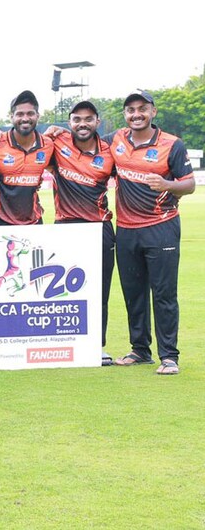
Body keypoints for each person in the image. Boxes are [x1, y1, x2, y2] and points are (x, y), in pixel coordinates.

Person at [109, 90, 195, 375]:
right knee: (134, 293)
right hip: (126, 230)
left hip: (161, 228)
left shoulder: (172, 144)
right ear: (125, 114)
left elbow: (190, 184)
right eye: (131, 109)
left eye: (142, 109)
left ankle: (169, 356)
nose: (136, 114)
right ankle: (140, 350)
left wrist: (167, 184)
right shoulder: (118, 140)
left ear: (153, 112)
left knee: (163, 294)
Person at [42, 100, 116, 365]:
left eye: (88, 119)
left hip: (99, 227)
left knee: (99, 290)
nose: (82, 124)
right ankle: (62, 344)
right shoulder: (56, 144)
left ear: (97, 121)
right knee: (61, 290)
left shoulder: (110, 151)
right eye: (76, 119)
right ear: (69, 123)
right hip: (66, 227)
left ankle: (97, 345)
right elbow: (29, 150)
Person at [0, 90, 53, 226]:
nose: (25, 118)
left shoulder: (48, 145)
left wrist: (61, 130)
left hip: (34, 222)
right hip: (0, 222)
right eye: (19, 114)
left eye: (30, 113)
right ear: (11, 117)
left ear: (38, 116)